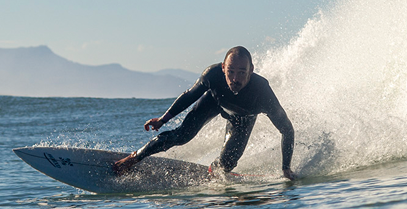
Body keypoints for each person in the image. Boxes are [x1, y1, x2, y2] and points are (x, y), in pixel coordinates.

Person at [113, 46, 297, 180]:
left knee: (228, 163)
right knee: (181, 136)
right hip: (214, 102)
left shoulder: (262, 92)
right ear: (223, 67)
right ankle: (134, 158)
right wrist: (163, 119)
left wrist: (285, 168)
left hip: (243, 118)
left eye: (242, 72)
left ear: (251, 70)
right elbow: (189, 96)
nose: (235, 79)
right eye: (231, 71)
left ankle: (213, 171)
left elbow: (287, 129)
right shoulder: (213, 75)